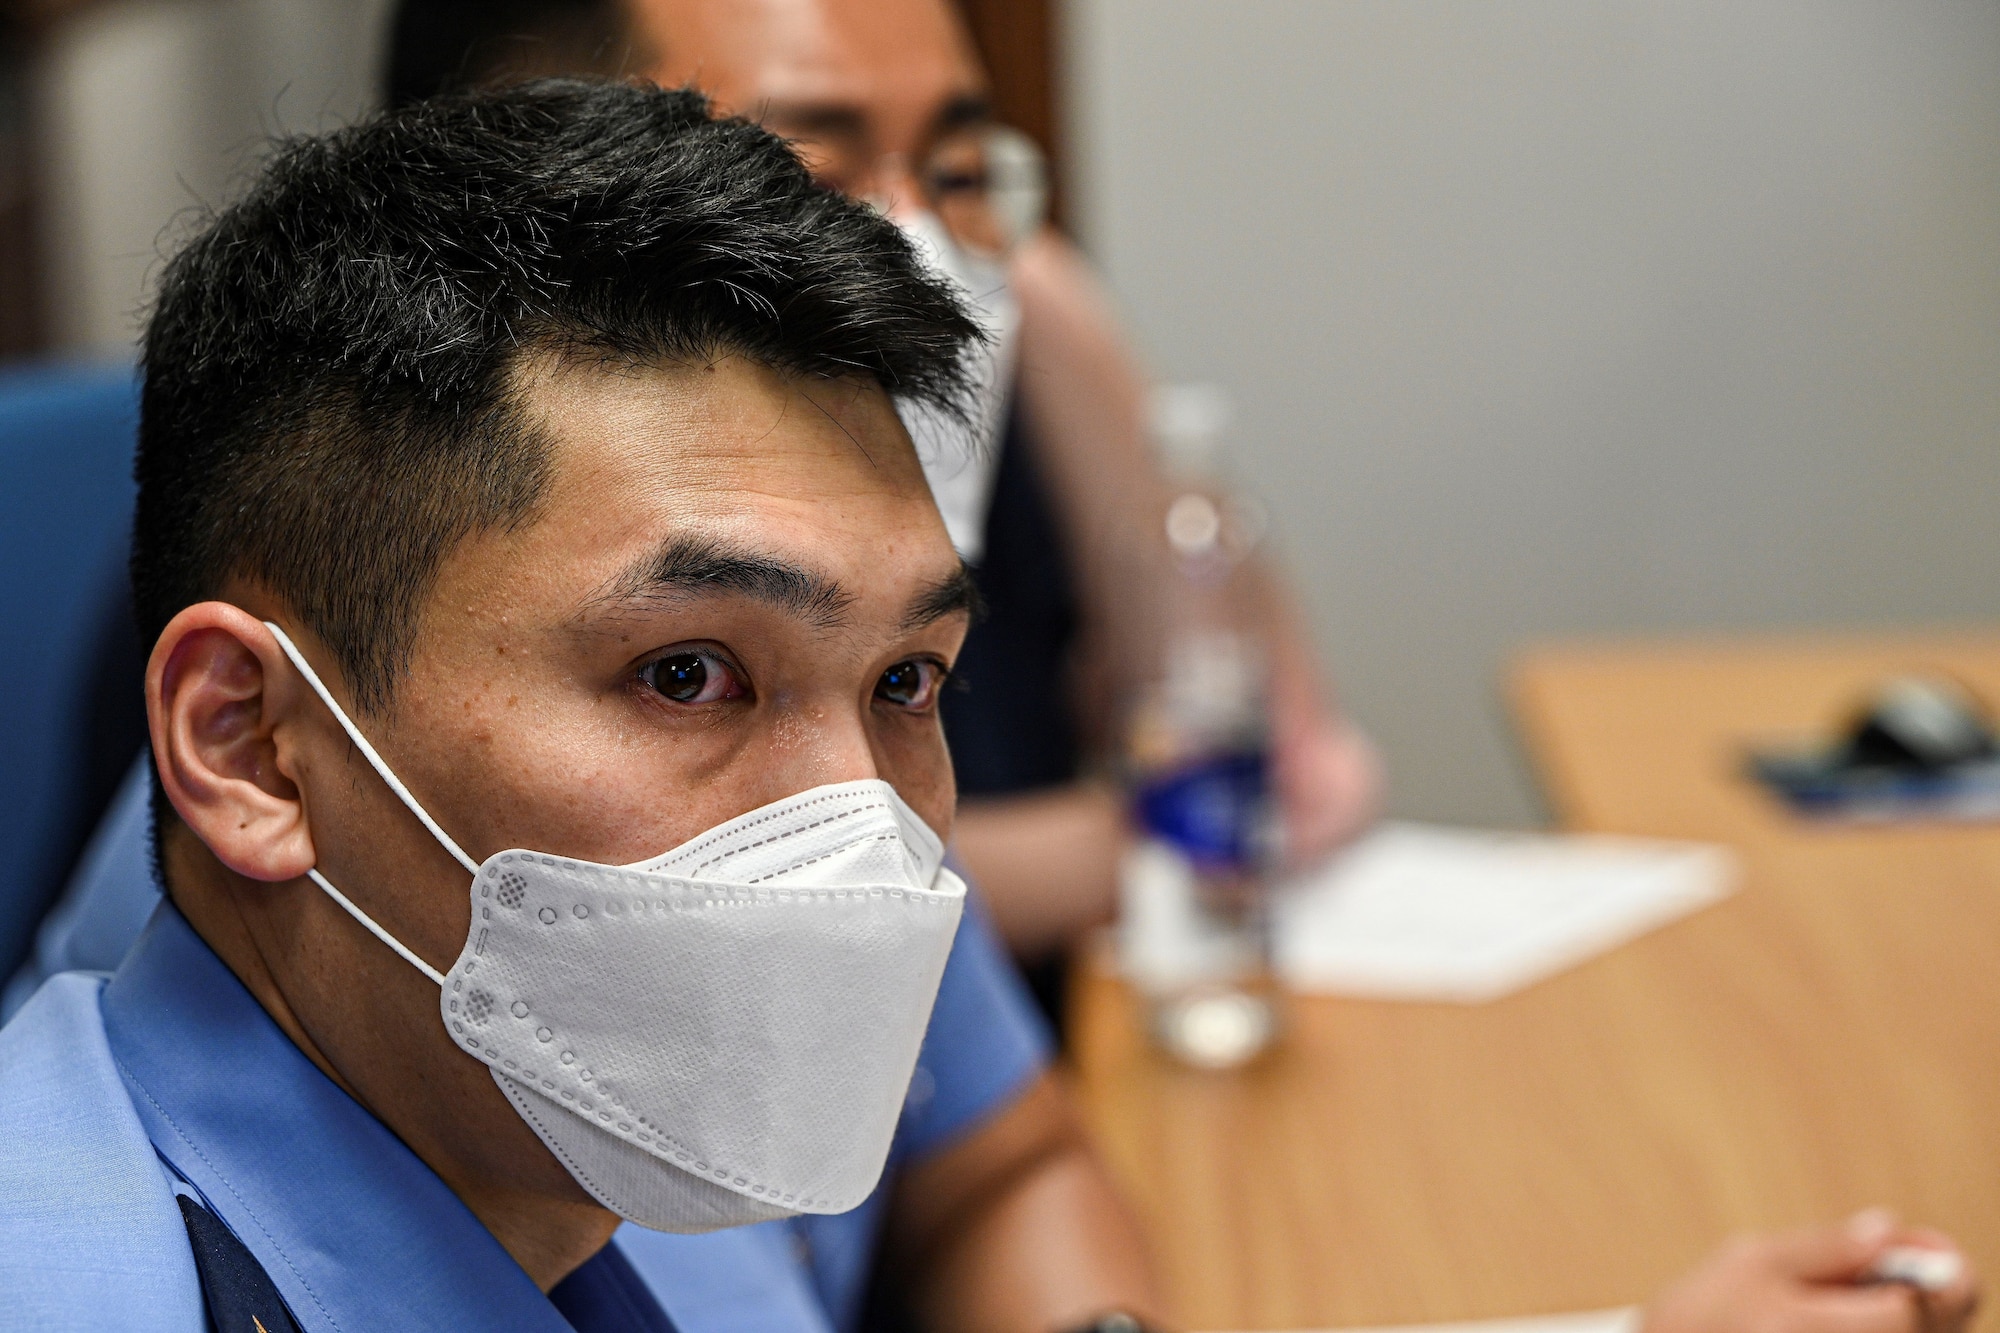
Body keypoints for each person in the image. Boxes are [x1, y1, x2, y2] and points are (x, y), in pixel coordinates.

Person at [0, 70, 1977, 1333]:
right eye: (686, 673)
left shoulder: (556, 1136)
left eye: (913, 682)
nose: (855, 824)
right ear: (250, 749)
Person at [383, 0, 1386, 1021]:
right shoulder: (472, 503)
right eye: (812, 180)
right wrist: (1146, 842)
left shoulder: (991, 353)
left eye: (956, 174)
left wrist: (1050, 302)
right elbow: (805, 890)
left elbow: (1287, 762)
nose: (915, 248)